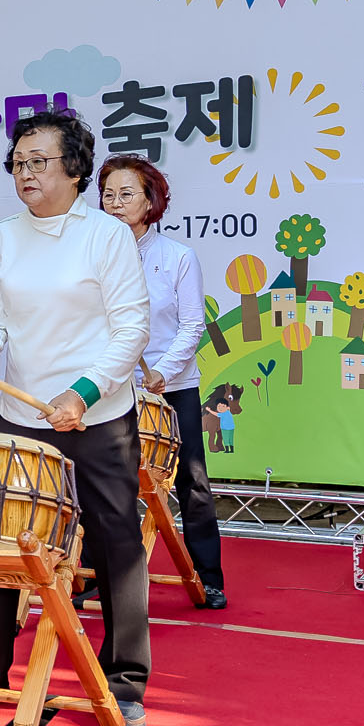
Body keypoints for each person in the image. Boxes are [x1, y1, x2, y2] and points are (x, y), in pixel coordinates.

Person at [0, 110, 154, 726]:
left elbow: (131, 328)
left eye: (39, 161)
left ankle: (124, 680)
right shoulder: (2, 237)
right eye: (18, 162)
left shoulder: (106, 236)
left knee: (116, 542)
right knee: (2, 540)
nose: (25, 173)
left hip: (97, 415)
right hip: (23, 413)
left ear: (75, 169)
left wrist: (83, 391)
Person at [99, 153, 227, 609]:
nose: (115, 204)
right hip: (110, 391)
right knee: (107, 485)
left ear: (151, 201)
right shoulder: (92, 258)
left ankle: (208, 577)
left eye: (126, 194)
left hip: (172, 389)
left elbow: (193, 325)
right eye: (108, 195)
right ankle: (100, 575)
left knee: (191, 483)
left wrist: (161, 373)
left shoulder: (177, 257)